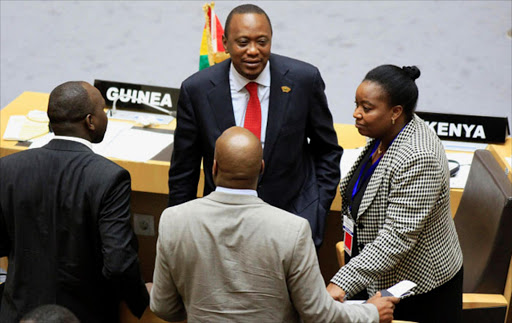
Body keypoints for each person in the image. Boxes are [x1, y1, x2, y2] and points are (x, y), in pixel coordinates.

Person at [151, 126, 399, 323]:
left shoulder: (174, 220)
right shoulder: (292, 230)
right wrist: (371, 313)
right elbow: (319, 315)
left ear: (213, 167)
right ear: (261, 169)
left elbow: (164, 307)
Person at [168, 4, 343, 247]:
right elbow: (183, 173)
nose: (253, 51)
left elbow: (328, 151)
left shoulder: (304, 80)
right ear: (225, 42)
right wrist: (179, 234)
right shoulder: (197, 90)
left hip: (291, 222)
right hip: (221, 227)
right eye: (242, 42)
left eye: (262, 42)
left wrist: (316, 209)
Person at [0, 81, 150, 322]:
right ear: (90, 121)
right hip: (83, 315)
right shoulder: (109, 177)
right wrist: (141, 303)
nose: (105, 117)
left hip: (19, 311)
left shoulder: (7, 168)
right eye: (104, 110)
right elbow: (119, 263)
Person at [326, 65, 463, 322]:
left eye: (366, 108)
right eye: (356, 104)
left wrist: (341, 283)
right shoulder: (386, 131)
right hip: (373, 272)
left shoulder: (419, 157)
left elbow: (396, 238)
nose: (356, 114)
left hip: (415, 290)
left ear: (395, 112)